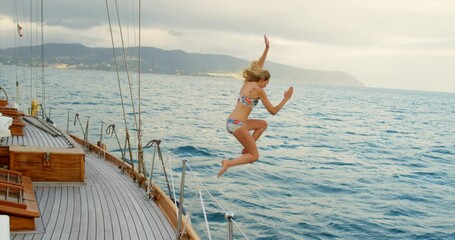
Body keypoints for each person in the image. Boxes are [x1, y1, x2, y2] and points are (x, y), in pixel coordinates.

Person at [218, 35, 294, 177]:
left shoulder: (247, 83)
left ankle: (247, 147)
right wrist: (286, 99)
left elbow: (259, 66)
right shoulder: (259, 91)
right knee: (255, 156)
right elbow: (272, 111)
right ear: (262, 80)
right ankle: (229, 163)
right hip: (238, 125)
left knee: (262, 124)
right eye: (266, 82)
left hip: (231, 122)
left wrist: (267, 48)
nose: (266, 85)